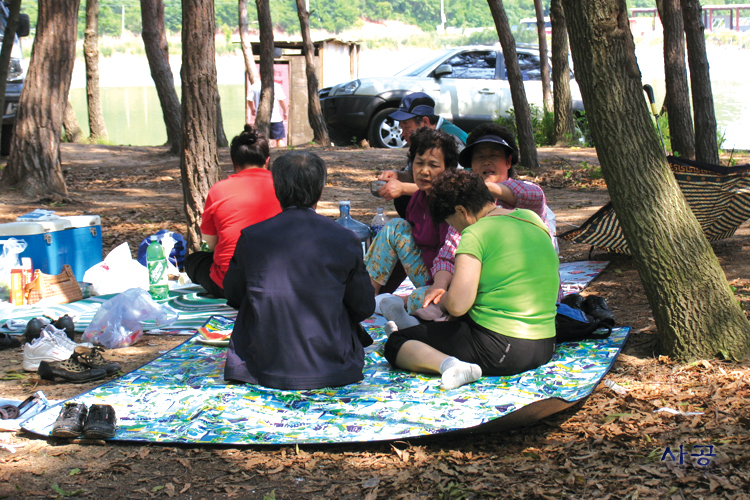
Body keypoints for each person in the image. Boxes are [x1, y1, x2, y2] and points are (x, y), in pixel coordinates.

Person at [382, 169, 559, 390]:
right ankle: (418, 333)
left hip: (502, 349)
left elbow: (458, 305)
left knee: (396, 343)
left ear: (461, 211)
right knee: (446, 326)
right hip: (546, 343)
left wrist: (443, 300)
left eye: (451, 222)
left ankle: (450, 365)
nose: (454, 229)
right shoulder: (531, 218)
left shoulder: (475, 234)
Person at [223, 151, 376, 390]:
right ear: (320, 190)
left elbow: (234, 294)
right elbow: (364, 306)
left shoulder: (252, 236)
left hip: (264, 364)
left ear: (277, 189)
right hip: (333, 365)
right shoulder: (345, 238)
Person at [183, 125, 281, 298]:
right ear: (267, 160)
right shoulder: (284, 186)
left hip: (231, 285)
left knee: (194, 260)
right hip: (277, 280)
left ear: (234, 162)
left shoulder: (218, 190)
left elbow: (211, 243)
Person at [365, 127, 459, 299]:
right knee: (395, 227)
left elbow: (451, 260)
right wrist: (384, 293)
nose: (424, 171)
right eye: (419, 163)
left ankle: (393, 303)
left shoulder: (450, 206)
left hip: (447, 284)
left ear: (447, 170)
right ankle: (366, 295)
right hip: (424, 276)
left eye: (433, 165)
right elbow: (404, 254)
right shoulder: (417, 200)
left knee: (417, 301)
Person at [376, 92, 468, 218]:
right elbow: (413, 174)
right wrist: (398, 175)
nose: (403, 133)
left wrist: (403, 188)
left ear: (425, 122)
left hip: (462, 206)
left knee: (405, 196)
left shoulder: (451, 139)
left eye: (407, 127)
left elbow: (452, 188)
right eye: (402, 128)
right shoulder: (423, 139)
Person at [248, 81, 288, 147]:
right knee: (279, 139)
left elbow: (249, 100)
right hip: (275, 118)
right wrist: (285, 111)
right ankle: (281, 153)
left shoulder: (255, 86)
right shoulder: (276, 86)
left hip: (261, 119)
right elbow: (281, 100)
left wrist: (252, 109)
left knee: (260, 139)